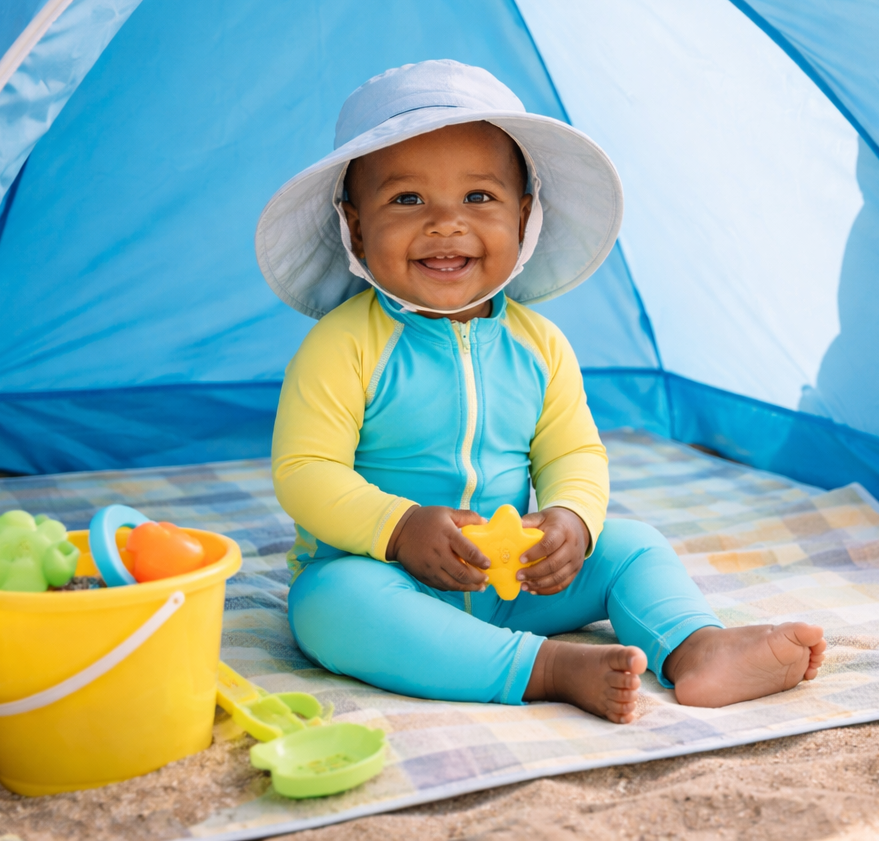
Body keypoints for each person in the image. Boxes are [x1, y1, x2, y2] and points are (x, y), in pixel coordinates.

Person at [255, 60, 825, 722]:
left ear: (524, 217)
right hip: (380, 572)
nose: (446, 224)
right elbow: (304, 471)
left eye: (479, 198)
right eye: (407, 200)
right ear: (355, 227)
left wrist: (571, 522)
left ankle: (697, 648)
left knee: (632, 545)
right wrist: (398, 528)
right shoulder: (343, 344)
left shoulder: (540, 344)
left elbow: (575, 455)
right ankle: (545, 667)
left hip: (514, 576)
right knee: (330, 609)